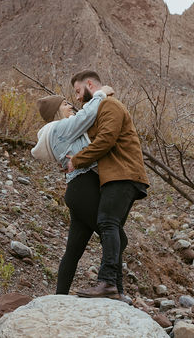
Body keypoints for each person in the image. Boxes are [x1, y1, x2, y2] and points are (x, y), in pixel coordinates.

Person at [65, 70, 149, 300]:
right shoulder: (100, 108)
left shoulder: (110, 106)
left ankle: (108, 283)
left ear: (90, 84)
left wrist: (77, 161)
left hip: (123, 174)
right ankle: (117, 291)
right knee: (112, 229)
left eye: (78, 91)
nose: (78, 97)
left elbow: (105, 140)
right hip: (119, 175)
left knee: (107, 222)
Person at [30, 86, 117, 296]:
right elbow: (87, 116)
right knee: (116, 238)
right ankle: (110, 288)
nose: (71, 106)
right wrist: (100, 93)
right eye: (65, 104)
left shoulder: (59, 132)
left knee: (73, 251)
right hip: (84, 188)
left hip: (78, 190)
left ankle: (60, 298)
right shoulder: (61, 127)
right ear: (56, 112)